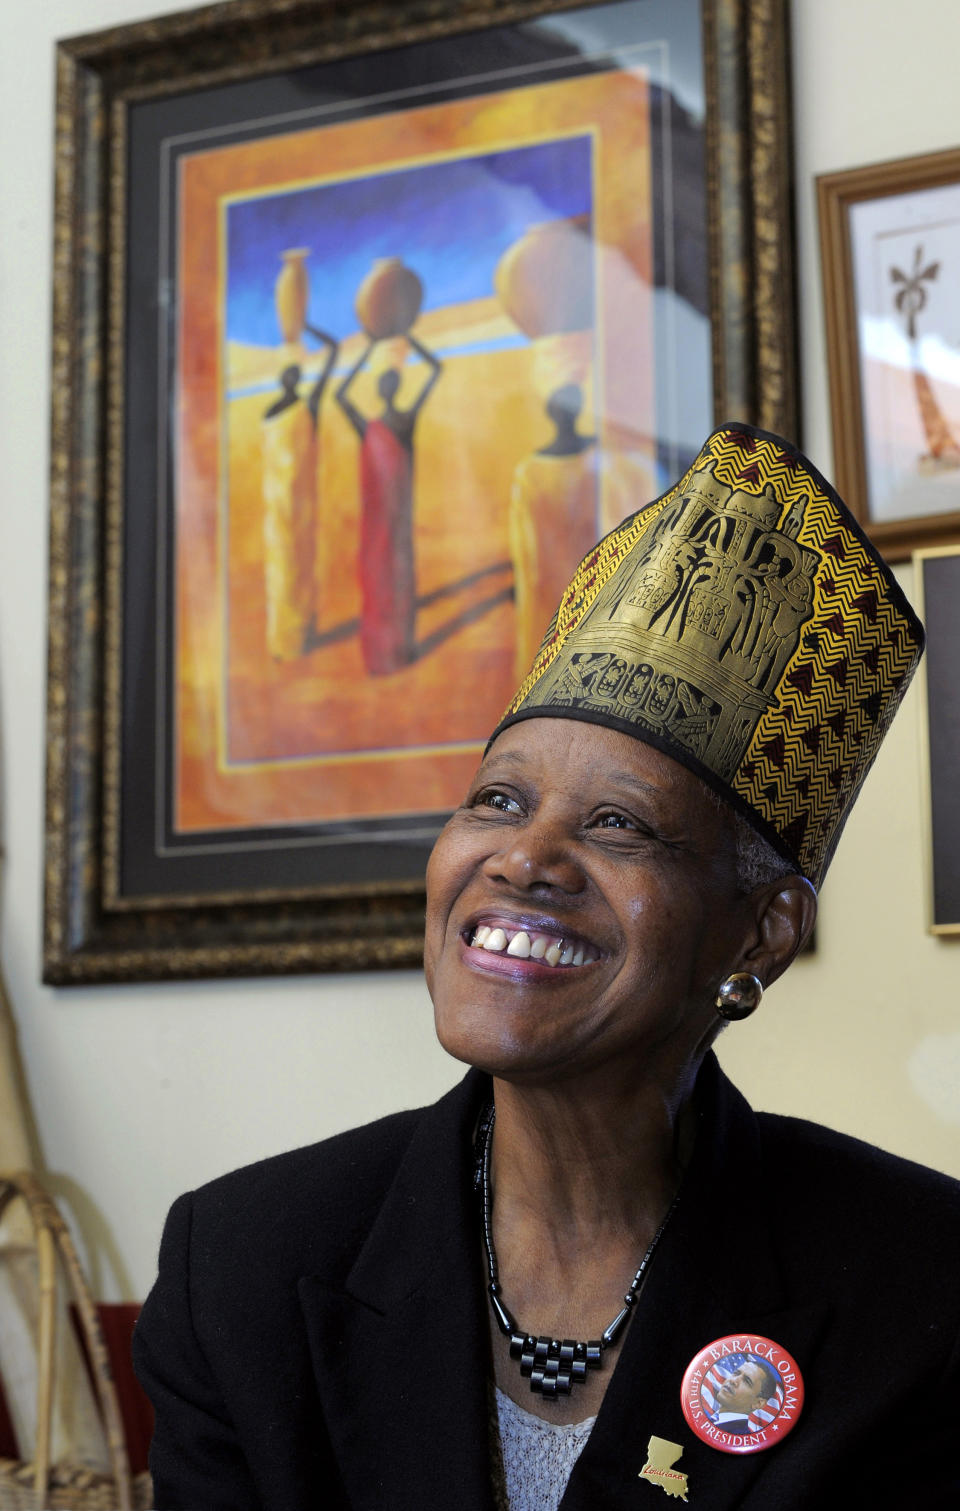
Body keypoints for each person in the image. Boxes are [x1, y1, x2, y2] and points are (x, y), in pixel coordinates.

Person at [134, 422, 960, 1509]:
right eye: (499, 798)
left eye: (618, 823)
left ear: (760, 932)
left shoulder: (920, 1284)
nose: (523, 857)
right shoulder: (241, 1265)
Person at [335, 333, 443, 675]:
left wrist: (369, 348)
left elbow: (341, 395)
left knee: (386, 581)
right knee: (395, 580)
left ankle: (389, 656)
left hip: (383, 527)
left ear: (386, 389)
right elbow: (435, 370)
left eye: (385, 381)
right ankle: (397, 653)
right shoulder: (399, 423)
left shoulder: (372, 427)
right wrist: (410, 338)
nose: (383, 387)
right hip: (390, 526)